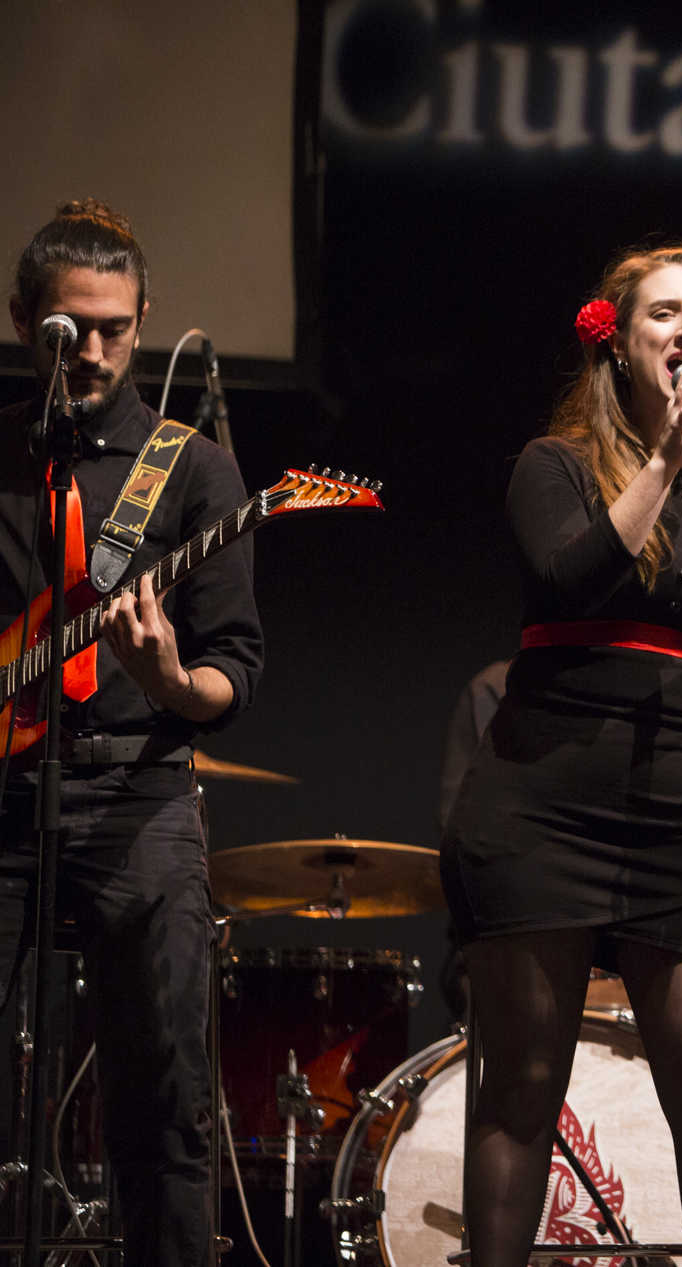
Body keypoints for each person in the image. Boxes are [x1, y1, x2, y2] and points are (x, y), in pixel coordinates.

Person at [439, 245, 682, 1264]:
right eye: (664, 313)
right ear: (619, 344)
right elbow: (570, 575)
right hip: (540, 809)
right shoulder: (556, 464)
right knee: (524, 1089)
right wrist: (665, 466)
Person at [0, 200, 264, 1265]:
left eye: (117, 329)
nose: (96, 352)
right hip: (6, 795)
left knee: (163, 1099)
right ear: (26, 321)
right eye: (72, 330)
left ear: (144, 321)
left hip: (138, 790)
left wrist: (171, 681)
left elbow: (235, 666)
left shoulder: (190, 468)